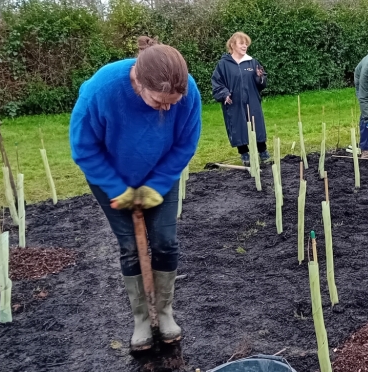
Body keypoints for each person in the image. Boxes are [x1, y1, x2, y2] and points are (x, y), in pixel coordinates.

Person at [69, 36, 202, 351]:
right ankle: (142, 319)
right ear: (138, 83)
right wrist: (118, 189)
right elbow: (84, 149)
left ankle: (165, 313)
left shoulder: (187, 92)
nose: (166, 108)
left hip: (160, 175)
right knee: (130, 246)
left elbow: (186, 142)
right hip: (110, 177)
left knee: (165, 241)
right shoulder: (101, 91)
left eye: (172, 103)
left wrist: (156, 185)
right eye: (159, 102)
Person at [212, 32, 268, 167]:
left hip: (252, 100)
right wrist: (225, 94)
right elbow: (217, 82)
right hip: (234, 102)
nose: (245, 46)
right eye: (241, 43)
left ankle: (263, 152)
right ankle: (244, 154)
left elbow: (261, 83)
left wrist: (260, 78)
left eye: (246, 44)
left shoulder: (252, 62)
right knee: (238, 125)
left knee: (257, 125)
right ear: (232, 45)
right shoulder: (223, 64)